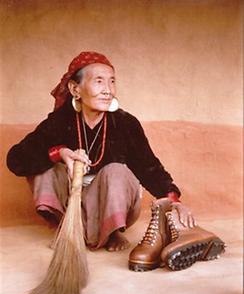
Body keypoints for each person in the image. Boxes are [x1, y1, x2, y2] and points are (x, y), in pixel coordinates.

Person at [6, 51, 225, 272]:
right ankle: (67, 229)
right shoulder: (58, 122)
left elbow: (149, 166)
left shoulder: (126, 123)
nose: (108, 90)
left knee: (116, 171)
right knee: (44, 165)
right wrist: (59, 153)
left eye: (112, 81)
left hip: (111, 206)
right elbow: (16, 160)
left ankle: (112, 233)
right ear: (75, 89)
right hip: (71, 203)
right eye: (99, 81)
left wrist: (173, 199)